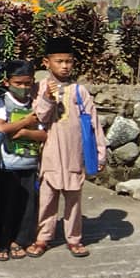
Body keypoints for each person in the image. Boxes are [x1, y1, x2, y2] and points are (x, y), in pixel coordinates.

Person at [28, 37, 107, 259]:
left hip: (74, 153)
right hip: (50, 154)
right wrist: (47, 98)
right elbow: (38, 118)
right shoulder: (39, 88)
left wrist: (100, 153)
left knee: (73, 200)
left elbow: (94, 124)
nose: (65, 66)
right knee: (47, 198)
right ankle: (43, 238)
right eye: (59, 61)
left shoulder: (79, 91)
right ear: (46, 62)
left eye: (69, 61)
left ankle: (74, 239)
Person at [0, 60, 45, 262]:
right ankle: (2, 242)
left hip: (30, 164)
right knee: (7, 205)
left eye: (27, 83)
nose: (23, 88)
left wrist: (23, 132)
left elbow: (44, 134)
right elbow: (1, 128)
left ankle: (19, 241)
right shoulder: (1, 102)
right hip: (8, 165)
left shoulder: (35, 103)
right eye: (18, 83)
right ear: (7, 82)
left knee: (27, 206)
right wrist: (26, 122)